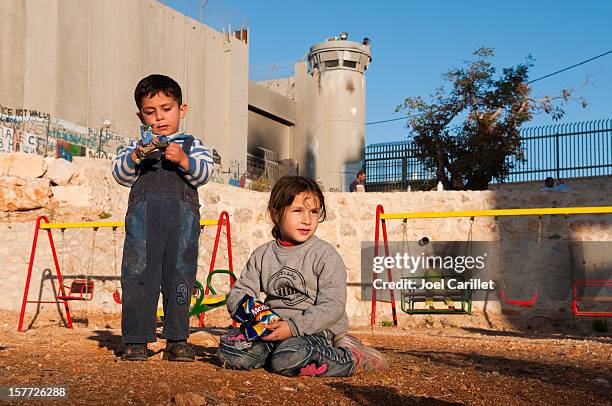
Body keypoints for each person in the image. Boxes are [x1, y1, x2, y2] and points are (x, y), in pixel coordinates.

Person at [217, 176, 388, 376]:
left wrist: (293, 327)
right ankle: (276, 355)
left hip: (316, 330)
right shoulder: (263, 254)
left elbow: (332, 306)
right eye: (298, 211)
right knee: (233, 352)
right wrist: (252, 312)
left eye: (314, 212)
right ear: (277, 213)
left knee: (289, 357)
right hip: (273, 328)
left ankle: (351, 357)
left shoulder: (324, 255)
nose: (307, 219)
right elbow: (241, 291)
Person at [111, 74, 214, 361]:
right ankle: (136, 339)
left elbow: (205, 173)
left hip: (182, 229)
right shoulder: (135, 149)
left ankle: (177, 338)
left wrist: (183, 160)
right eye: (150, 112)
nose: (159, 118)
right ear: (140, 115)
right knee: (138, 277)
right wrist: (135, 157)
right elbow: (119, 174)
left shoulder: (194, 146)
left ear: (182, 110)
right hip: (142, 229)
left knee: (180, 278)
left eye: (166, 109)